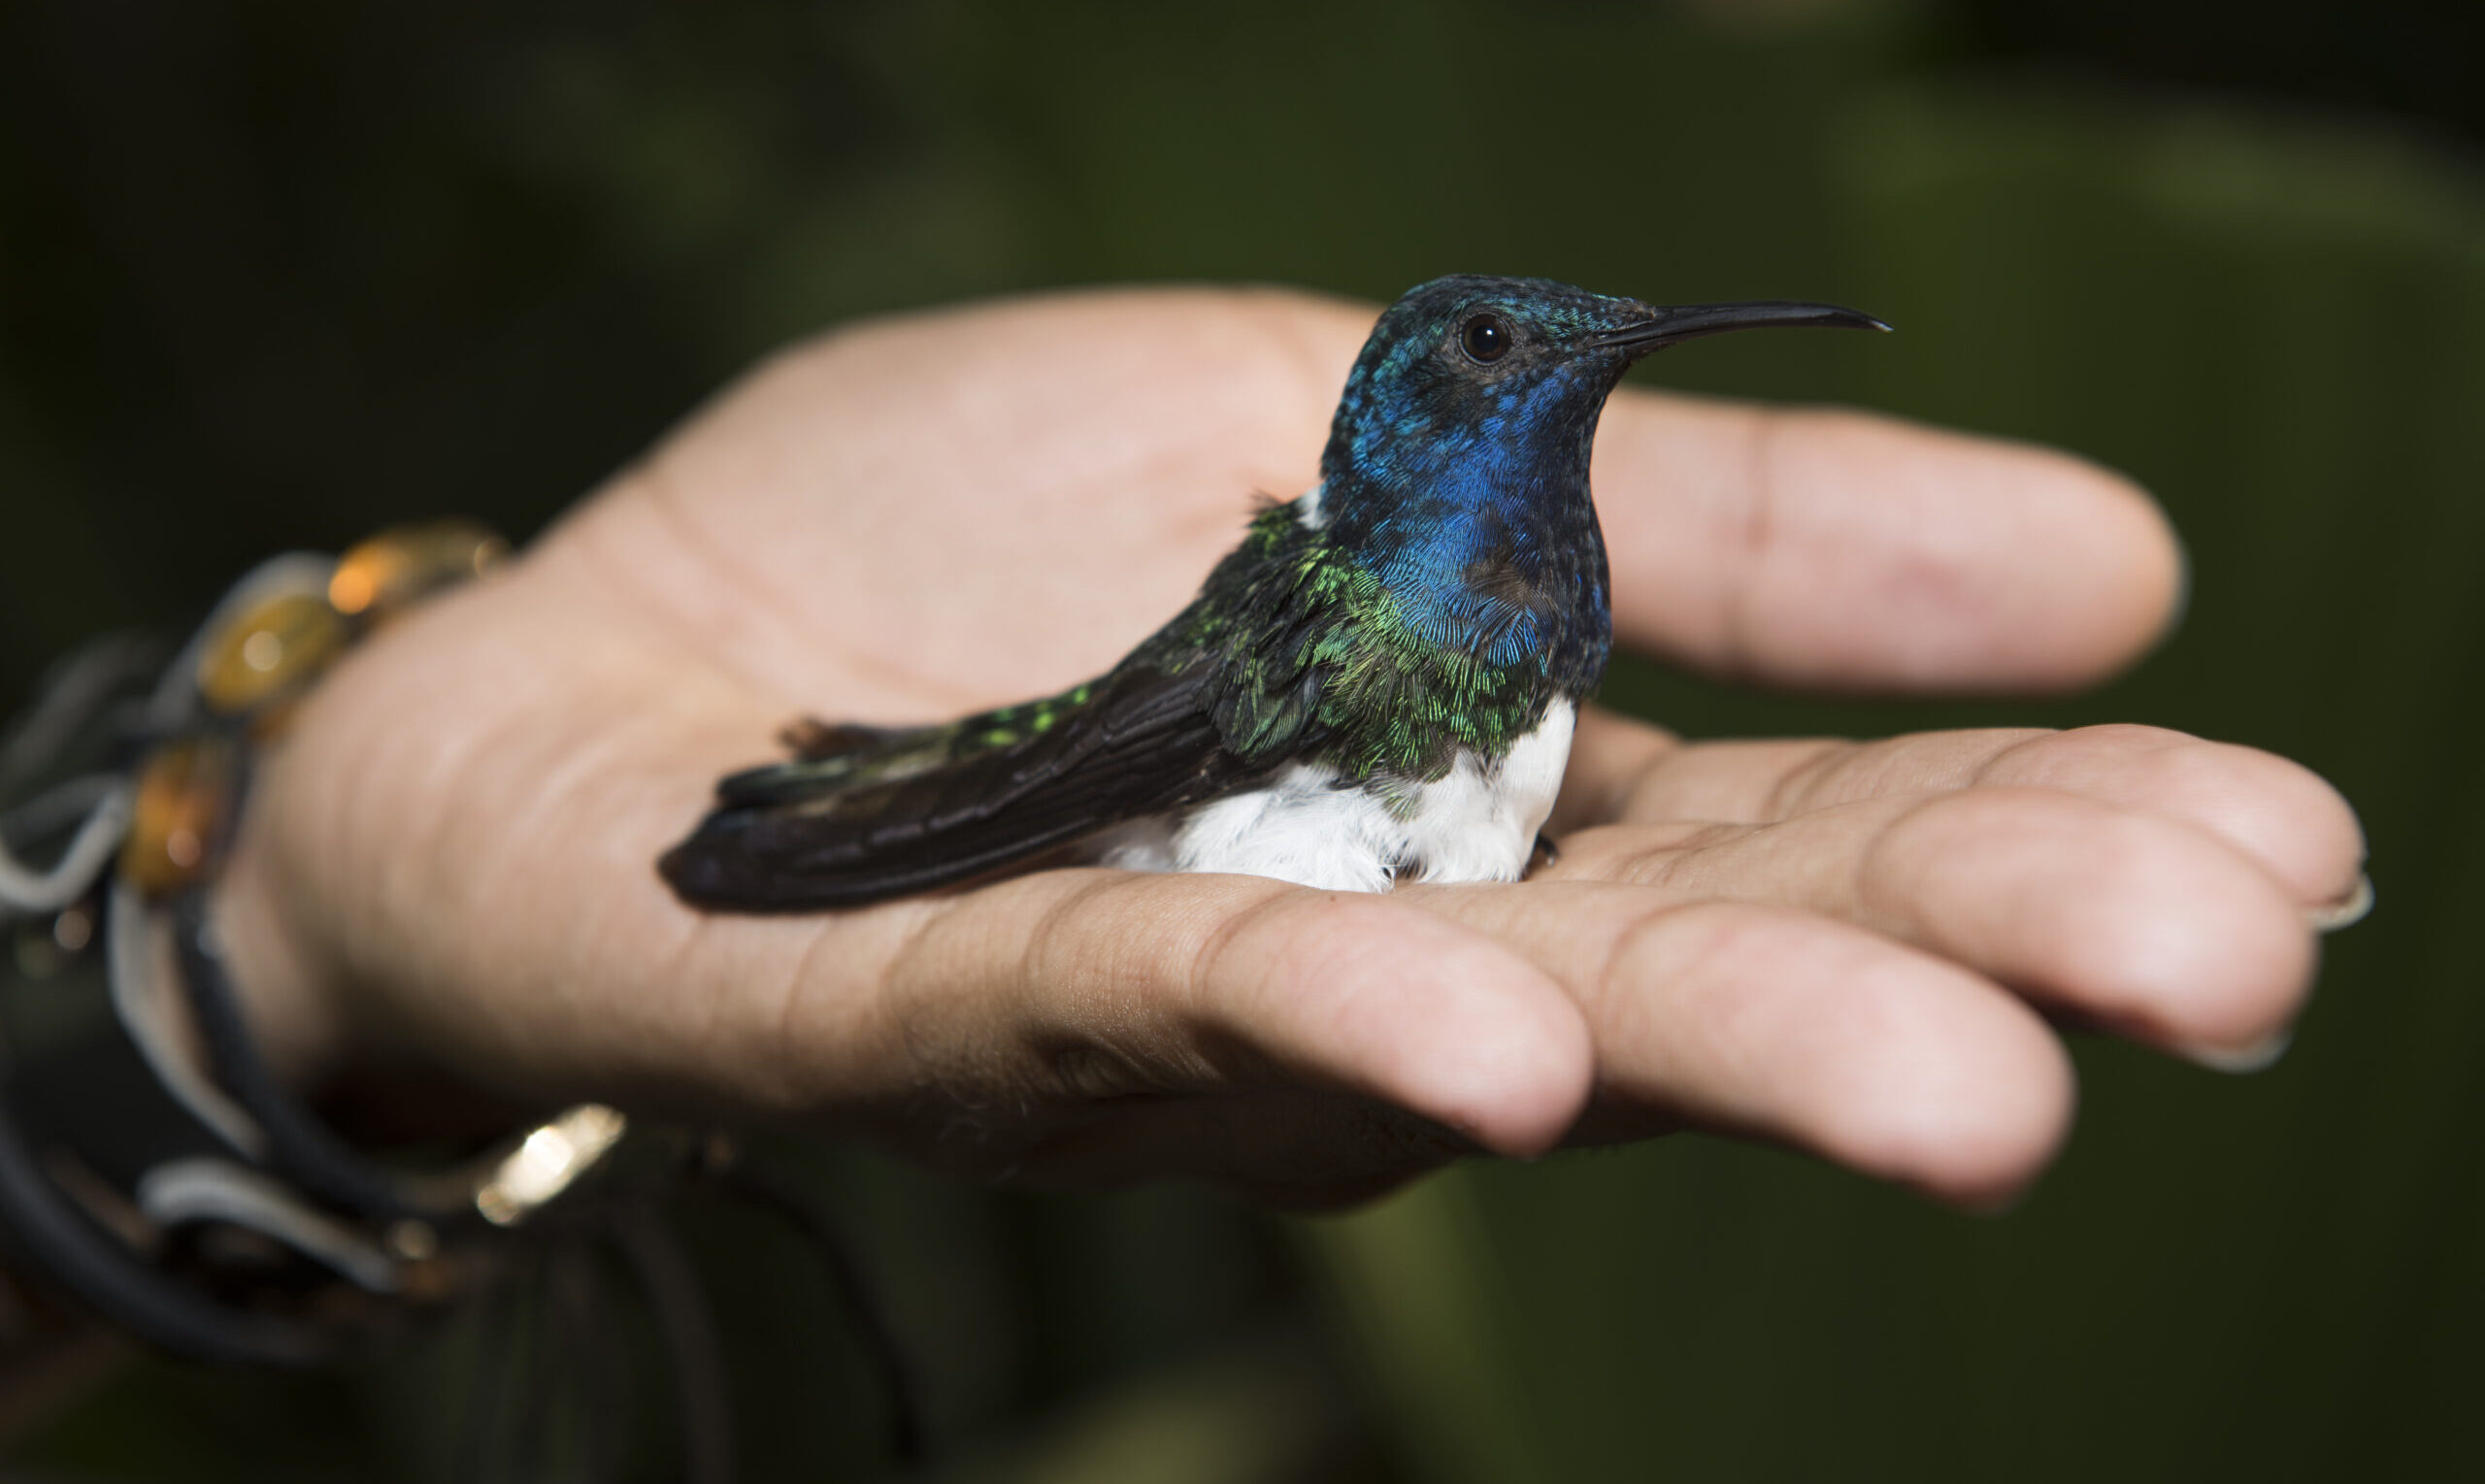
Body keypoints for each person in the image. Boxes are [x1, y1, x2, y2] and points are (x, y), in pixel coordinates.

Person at [208, 285, 2366, 1213]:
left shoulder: (1536, 571)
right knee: (961, 784)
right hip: (1208, 791)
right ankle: (829, 793)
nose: (1563, 361)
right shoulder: (1334, 604)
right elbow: (1085, 768)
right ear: (1427, 402)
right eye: (1515, 345)